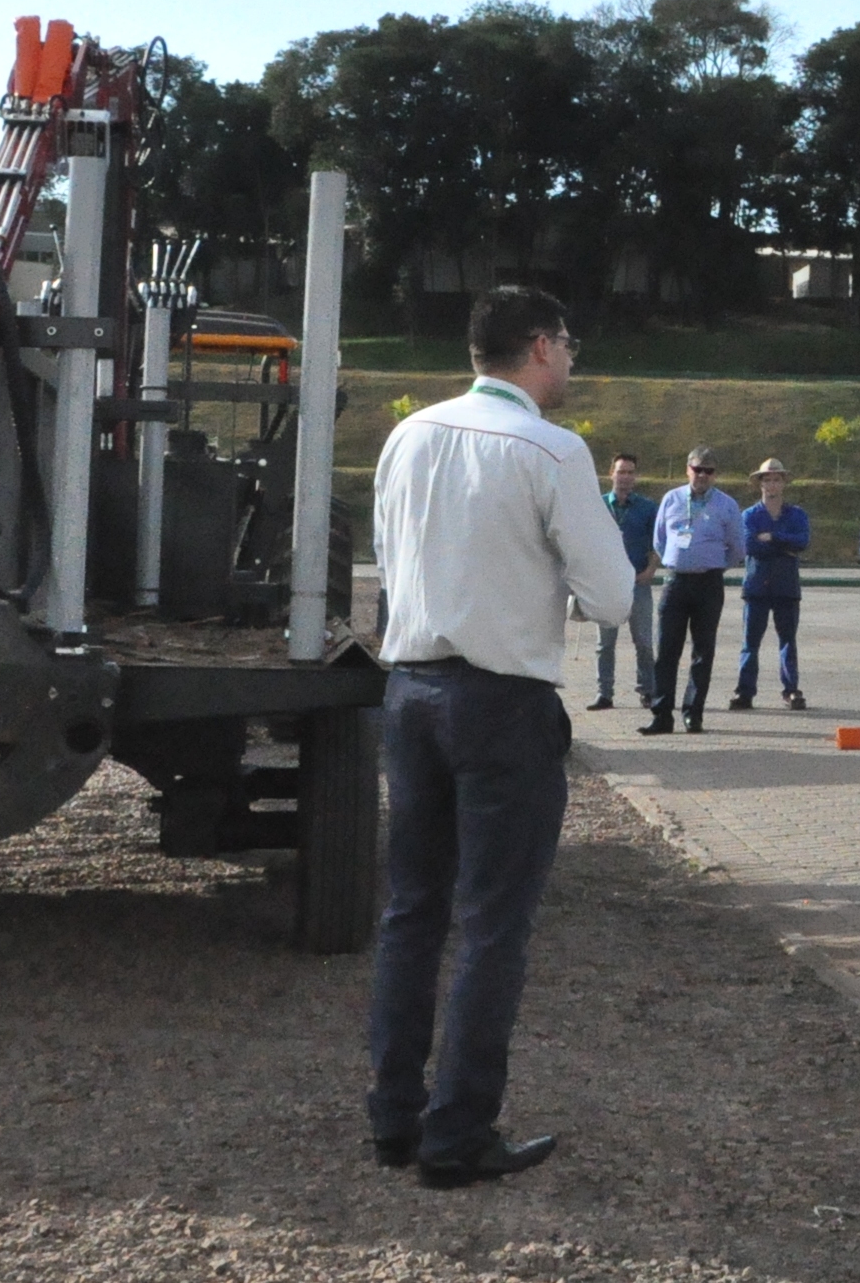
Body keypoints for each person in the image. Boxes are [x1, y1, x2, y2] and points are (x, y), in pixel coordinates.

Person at [365, 285, 630, 1186]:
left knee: (410, 912)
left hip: (412, 687)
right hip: (503, 699)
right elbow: (613, 597)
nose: (574, 362)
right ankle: (457, 1133)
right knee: (491, 927)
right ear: (541, 346)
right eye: (570, 346)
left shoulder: (408, 435)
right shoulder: (552, 450)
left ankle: (392, 1116)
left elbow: (390, 556)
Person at [643, 446, 745, 735]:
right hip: (676, 582)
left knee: (703, 651)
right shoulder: (671, 499)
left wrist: (711, 565)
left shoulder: (726, 505)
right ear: (687, 469)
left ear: (715, 475)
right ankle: (662, 714)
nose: (701, 475)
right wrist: (679, 561)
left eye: (708, 471)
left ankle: (693, 713)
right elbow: (660, 540)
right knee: (666, 651)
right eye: (697, 469)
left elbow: (737, 548)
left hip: (708, 584)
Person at [729, 458, 809, 713]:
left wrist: (774, 537)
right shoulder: (750, 515)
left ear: (783, 483)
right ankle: (745, 691)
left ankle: (791, 688)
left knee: (788, 640)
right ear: (760, 484)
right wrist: (785, 547)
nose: (772, 484)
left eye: (776, 479)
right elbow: (749, 546)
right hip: (757, 586)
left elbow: (803, 542)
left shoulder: (796, 514)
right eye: (767, 479)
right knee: (750, 641)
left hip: (786, 586)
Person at [586, 453, 658, 711]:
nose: (625, 477)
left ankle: (648, 691)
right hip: (607, 585)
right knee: (604, 644)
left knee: (644, 643)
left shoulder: (648, 508)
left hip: (637, 582)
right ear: (611, 474)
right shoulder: (598, 505)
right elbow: (587, 542)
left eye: (630, 472)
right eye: (621, 472)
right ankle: (604, 693)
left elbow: (657, 542)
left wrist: (650, 570)